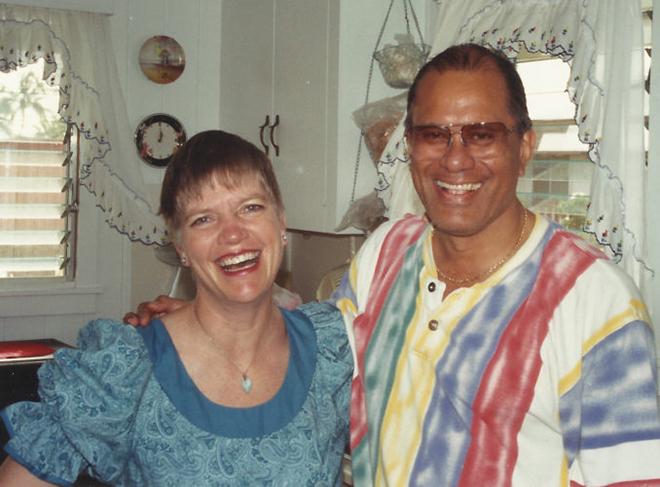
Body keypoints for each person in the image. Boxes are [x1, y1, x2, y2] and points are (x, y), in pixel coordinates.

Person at [123, 44, 660, 486]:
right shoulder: (387, 250)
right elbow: (312, 348)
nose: (455, 159)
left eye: (482, 134)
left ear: (524, 148)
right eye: (433, 134)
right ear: (409, 146)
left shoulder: (595, 302)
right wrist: (201, 326)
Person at [0, 130, 352, 486]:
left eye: (250, 207)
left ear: (280, 223)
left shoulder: (333, 347)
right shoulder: (128, 369)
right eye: (203, 219)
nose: (232, 233)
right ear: (180, 245)